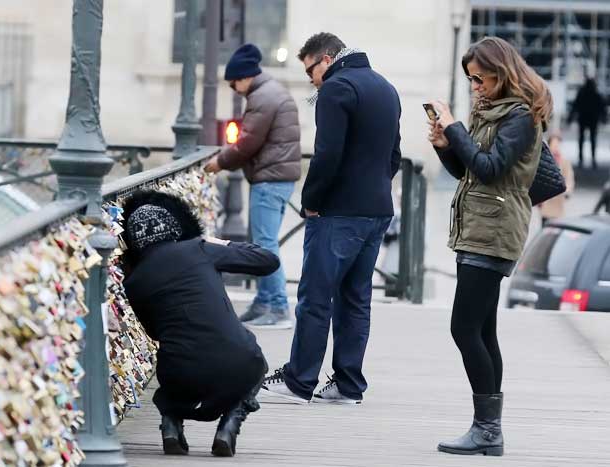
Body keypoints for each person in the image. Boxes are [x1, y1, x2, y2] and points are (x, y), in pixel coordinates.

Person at [427, 36, 553, 456]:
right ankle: (489, 430)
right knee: (483, 329)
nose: (475, 87)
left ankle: (487, 430)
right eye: (470, 80)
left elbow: (491, 168)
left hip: (496, 229)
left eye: (480, 79)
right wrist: (446, 146)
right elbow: (469, 170)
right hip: (480, 226)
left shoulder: (519, 116)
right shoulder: (493, 110)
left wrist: (455, 128)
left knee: (463, 328)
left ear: (502, 72)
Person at [261, 32, 401, 404]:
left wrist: (311, 200)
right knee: (356, 299)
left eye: (311, 70)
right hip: (377, 210)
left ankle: (299, 380)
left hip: (338, 212)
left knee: (315, 296)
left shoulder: (336, 89)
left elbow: (327, 154)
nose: (311, 80)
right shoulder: (386, 88)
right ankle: (348, 384)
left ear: (326, 58)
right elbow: (395, 156)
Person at [121, 190, 279, 457]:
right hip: (238, 363)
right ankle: (229, 424)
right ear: (174, 229)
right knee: (255, 358)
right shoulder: (198, 249)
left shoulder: (134, 282)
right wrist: (221, 243)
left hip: (181, 374)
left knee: (174, 367)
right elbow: (268, 261)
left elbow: (154, 332)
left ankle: (171, 424)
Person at [204, 43, 301, 329]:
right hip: (277, 177)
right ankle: (263, 303)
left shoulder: (263, 97)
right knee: (263, 243)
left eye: (234, 83)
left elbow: (247, 143)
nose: (235, 89)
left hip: (270, 179)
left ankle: (279, 306)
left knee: (265, 245)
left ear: (244, 76)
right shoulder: (269, 91)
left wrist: (219, 162)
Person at [567, 77, 606, 169]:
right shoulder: (596, 94)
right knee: (592, 139)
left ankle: (581, 158)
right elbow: (602, 107)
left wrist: (570, 118)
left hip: (583, 118)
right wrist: (604, 118)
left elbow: (575, 106)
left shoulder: (582, 94)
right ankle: (592, 159)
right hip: (593, 119)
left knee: (582, 138)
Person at [538, 133, 575, 226]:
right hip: (546, 201)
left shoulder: (565, 162)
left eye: (558, 144)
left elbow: (569, 178)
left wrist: (567, 191)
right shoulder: (544, 159)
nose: (556, 147)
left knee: (556, 228)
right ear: (549, 145)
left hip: (558, 201)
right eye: (554, 144)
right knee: (545, 227)